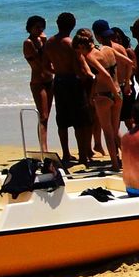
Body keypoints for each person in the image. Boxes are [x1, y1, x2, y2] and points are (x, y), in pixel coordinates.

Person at [42, 12, 94, 165]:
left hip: (59, 80)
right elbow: (78, 67)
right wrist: (87, 78)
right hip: (73, 81)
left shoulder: (49, 42)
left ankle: (66, 154)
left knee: (62, 120)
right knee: (80, 120)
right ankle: (83, 156)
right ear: (73, 25)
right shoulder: (71, 43)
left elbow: (45, 67)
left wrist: (57, 72)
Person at [80, 29, 123, 170]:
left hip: (105, 94)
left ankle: (115, 164)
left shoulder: (90, 56)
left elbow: (104, 75)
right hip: (118, 91)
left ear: (82, 46)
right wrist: (127, 83)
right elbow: (128, 62)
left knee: (108, 132)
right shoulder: (108, 49)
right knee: (116, 131)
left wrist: (112, 92)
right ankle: (130, 158)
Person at [22, 15, 54, 157]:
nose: (40, 29)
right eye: (37, 27)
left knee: (47, 115)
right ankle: (43, 148)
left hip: (49, 80)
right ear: (30, 28)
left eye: (42, 26)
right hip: (38, 82)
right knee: (43, 115)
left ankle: (45, 146)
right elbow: (39, 65)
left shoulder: (42, 42)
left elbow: (50, 61)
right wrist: (43, 45)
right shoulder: (28, 43)